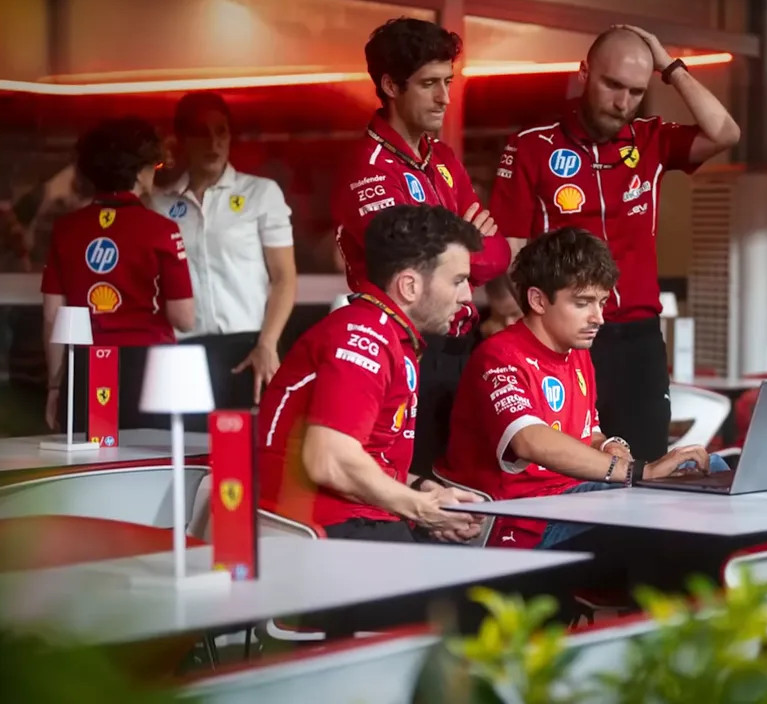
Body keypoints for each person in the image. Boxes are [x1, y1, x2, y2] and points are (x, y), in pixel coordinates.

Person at [490, 25, 741, 462]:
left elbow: (725, 133)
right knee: (569, 466)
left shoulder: (651, 139)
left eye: (636, 91)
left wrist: (669, 65)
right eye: (612, 85)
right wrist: (543, 324)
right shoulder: (532, 145)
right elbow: (509, 249)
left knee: (645, 465)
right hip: (564, 339)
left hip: (638, 340)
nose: (623, 102)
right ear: (584, 73)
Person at [441, 228, 713, 550]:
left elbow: (587, 432)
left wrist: (609, 444)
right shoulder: (498, 355)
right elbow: (529, 441)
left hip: (576, 499)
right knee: (673, 505)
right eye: (583, 303)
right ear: (538, 300)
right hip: (523, 518)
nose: (598, 318)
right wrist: (638, 472)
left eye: (602, 302)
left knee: (707, 471)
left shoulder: (577, 352)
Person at [336, 17, 512, 480]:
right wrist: (466, 238)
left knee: (465, 487)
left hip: (460, 347)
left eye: (448, 82)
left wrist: (456, 251)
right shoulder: (367, 167)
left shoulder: (444, 157)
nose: (445, 98)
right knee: (412, 491)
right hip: (404, 353)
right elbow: (415, 269)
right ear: (391, 86)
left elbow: (497, 256)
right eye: (429, 84)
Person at [257, 204, 485, 544]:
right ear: (409, 286)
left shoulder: (386, 334)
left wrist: (424, 490)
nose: (467, 297)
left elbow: (364, 460)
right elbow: (330, 460)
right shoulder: (365, 336)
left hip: (351, 523)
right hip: (319, 531)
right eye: (458, 280)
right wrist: (421, 509)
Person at [41, 116, 194, 431]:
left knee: (91, 457)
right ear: (139, 172)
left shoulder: (66, 229)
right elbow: (183, 318)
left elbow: (53, 315)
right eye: (154, 166)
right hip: (151, 367)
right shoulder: (163, 230)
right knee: (150, 457)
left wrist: (56, 385)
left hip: (86, 364)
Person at [152, 92, 297, 416]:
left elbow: (284, 278)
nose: (213, 142)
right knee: (185, 443)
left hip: (249, 347)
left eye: (221, 131)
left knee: (246, 444)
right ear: (182, 139)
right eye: (200, 132)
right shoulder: (159, 204)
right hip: (182, 351)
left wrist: (267, 343)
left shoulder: (261, 193)